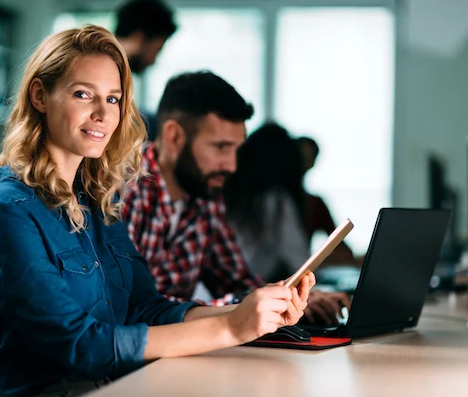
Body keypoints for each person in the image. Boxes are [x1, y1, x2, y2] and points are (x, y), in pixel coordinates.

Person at [0, 26, 313, 397]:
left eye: (113, 99)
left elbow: (146, 308)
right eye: (83, 94)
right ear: (40, 96)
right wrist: (230, 329)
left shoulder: (97, 204)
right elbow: (82, 347)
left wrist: (252, 314)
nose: (102, 114)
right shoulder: (8, 213)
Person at [122, 74, 348, 323]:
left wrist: (289, 297)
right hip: (136, 358)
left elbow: (238, 283)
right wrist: (239, 308)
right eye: (220, 147)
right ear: (174, 137)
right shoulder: (124, 192)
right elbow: (134, 309)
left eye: (236, 150)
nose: (231, 165)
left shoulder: (204, 193)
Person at [224, 123, 350, 324]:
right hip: (249, 302)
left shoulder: (233, 197)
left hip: (234, 299)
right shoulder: (275, 202)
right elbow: (299, 261)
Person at [114, 0, 177, 140]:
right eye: (157, 50)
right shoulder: (104, 70)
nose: (153, 61)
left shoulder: (119, 73)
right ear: (140, 38)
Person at [297, 136, 361, 266]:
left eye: (308, 160)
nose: (302, 166)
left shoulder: (314, 203)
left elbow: (341, 247)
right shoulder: (272, 201)